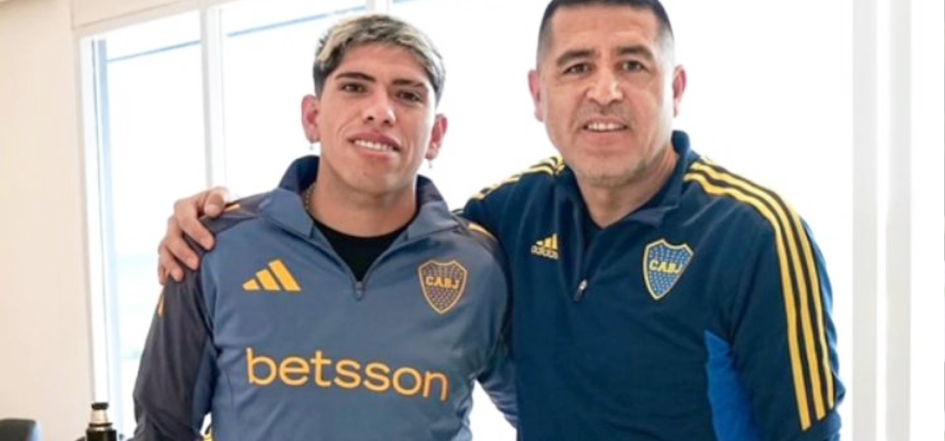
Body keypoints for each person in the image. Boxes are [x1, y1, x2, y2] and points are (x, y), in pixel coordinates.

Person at [156, 1, 845, 440]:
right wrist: (207, 220)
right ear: (539, 95)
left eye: (633, 64)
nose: (604, 90)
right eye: (577, 66)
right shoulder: (507, 219)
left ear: (675, 87)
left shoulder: (753, 233)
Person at [133, 14, 516, 441]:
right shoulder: (213, 248)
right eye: (354, 87)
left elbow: (549, 414)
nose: (380, 111)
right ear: (312, 117)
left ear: (437, 136)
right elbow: (161, 430)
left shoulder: (481, 267)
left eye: (408, 95)